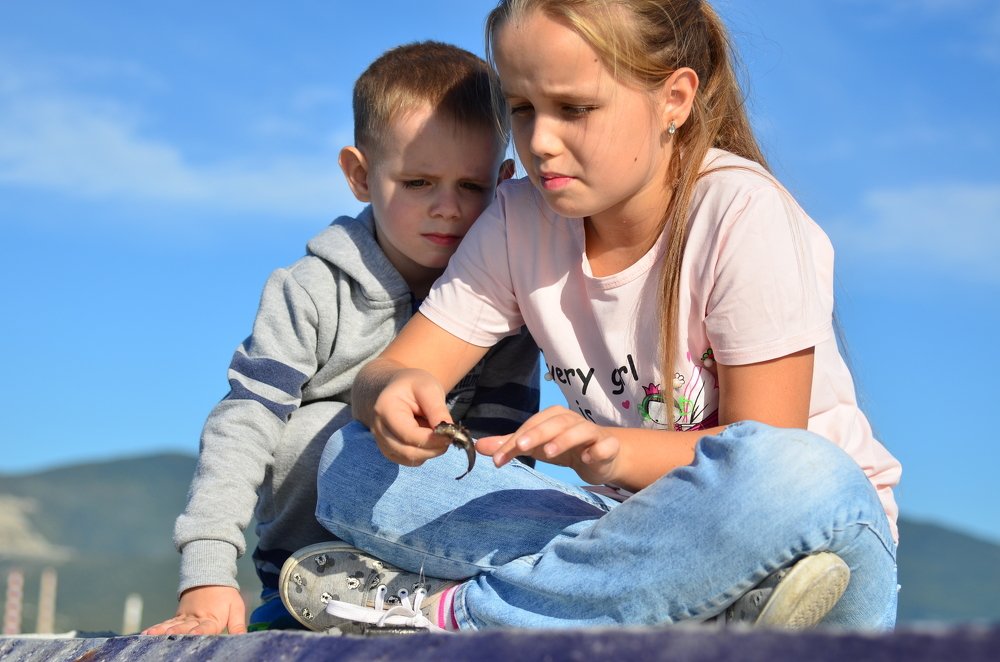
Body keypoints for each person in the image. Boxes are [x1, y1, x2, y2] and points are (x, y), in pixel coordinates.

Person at [279, 0, 902, 634]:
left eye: (574, 108)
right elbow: (389, 372)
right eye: (522, 108)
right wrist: (392, 391)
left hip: (808, 542)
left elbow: (760, 459)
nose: (539, 143)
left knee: (802, 472)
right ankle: (681, 608)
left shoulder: (742, 212)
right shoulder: (517, 219)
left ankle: (461, 614)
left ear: (674, 100)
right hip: (617, 529)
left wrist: (614, 453)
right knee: (353, 461)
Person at [142, 40, 541, 636]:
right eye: (418, 182)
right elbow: (243, 425)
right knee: (316, 432)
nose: (448, 209)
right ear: (359, 175)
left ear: (504, 182)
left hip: (436, 556)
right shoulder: (310, 290)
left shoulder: (503, 298)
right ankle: (304, 592)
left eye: (471, 186)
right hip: (313, 548)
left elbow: (501, 448)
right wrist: (206, 573)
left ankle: (453, 602)